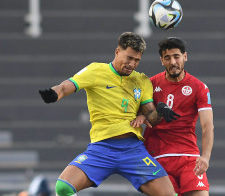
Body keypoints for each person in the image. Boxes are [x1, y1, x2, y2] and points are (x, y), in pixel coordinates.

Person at [39, 32, 180, 196]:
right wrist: (53, 94)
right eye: (129, 58)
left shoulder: (142, 81)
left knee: (169, 195)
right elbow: (64, 87)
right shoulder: (96, 71)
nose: (132, 64)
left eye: (136, 60)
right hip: (101, 149)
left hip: (132, 150)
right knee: (63, 188)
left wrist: (160, 111)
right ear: (117, 52)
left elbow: (152, 119)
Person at [131, 37, 214, 196]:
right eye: (167, 58)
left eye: (176, 56)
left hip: (189, 157)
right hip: (157, 157)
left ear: (185, 57)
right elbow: (140, 111)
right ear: (162, 60)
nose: (173, 62)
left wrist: (205, 157)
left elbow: (207, 126)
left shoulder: (199, 87)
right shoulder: (151, 83)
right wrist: (142, 114)